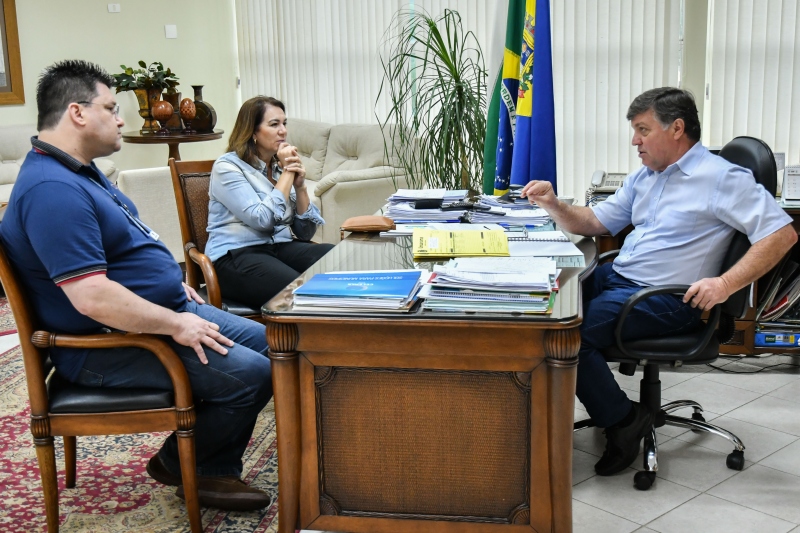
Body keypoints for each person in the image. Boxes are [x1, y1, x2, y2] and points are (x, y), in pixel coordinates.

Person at [0, 60, 274, 511]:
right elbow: (91, 297)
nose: (123, 117)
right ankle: (191, 468)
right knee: (252, 373)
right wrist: (175, 324)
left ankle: (205, 458)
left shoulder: (77, 171)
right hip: (105, 344)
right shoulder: (52, 190)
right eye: (111, 107)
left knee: (275, 343)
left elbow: (124, 251)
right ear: (78, 113)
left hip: (153, 316)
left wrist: (170, 285)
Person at [520, 87, 797, 476]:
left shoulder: (721, 178)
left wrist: (724, 284)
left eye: (643, 130)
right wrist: (553, 204)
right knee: (542, 306)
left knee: (567, 336)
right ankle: (550, 415)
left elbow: (782, 234)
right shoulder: (648, 176)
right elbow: (596, 223)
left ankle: (623, 419)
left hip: (666, 298)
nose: (635, 140)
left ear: (677, 128)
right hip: (619, 277)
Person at [205, 96, 334, 308]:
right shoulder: (227, 167)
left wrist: (300, 186)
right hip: (236, 255)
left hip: (278, 248)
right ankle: (303, 340)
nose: (283, 131)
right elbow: (262, 220)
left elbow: (305, 233)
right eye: (274, 124)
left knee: (336, 260)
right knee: (298, 289)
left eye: (284, 123)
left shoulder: (275, 168)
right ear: (252, 132)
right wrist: (287, 174)